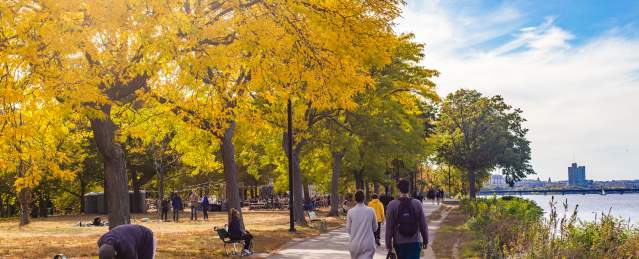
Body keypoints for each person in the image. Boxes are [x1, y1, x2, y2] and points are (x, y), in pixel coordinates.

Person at [385, 180, 428, 259]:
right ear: (409, 190)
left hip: (399, 243)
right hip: (415, 241)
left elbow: (389, 227)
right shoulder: (417, 203)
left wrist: (388, 244)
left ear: (398, 190)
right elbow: (423, 224)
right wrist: (425, 240)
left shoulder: (392, 205)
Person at [346, 190, 377, 259]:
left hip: (354, 244)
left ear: (355, 199)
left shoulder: (350, 212)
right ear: (364, 198)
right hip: (368, 244)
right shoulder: (371, 211)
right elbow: (375, 228)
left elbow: (348, 229)